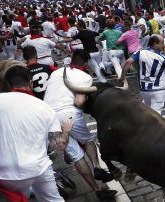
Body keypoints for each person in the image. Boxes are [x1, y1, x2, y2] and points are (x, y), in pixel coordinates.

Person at [0, 65, 73, 201]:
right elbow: (58, 148)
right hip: (39, 168)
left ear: (8, 84)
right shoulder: (45, 107)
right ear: (31, 83)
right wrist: (66, 131)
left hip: (7, 173)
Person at [44, 49, 117, 200]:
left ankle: (97, 190)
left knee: (77, 156)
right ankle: (97, 167)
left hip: (48, 116)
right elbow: (79, 102)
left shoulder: (56, 72)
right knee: (88, 141)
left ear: (72, 59)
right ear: (86, 62)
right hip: (68, 113)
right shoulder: (84, 76)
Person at [119, 34, 165, 115]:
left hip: (144, 90)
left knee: (147, 112)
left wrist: (122, 76)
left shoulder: (140, 52)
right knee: (156, 115)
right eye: (162, 43)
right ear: (155, 44)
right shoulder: (163, 58)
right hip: (158, 90)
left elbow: (128, 62)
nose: (163, 45)